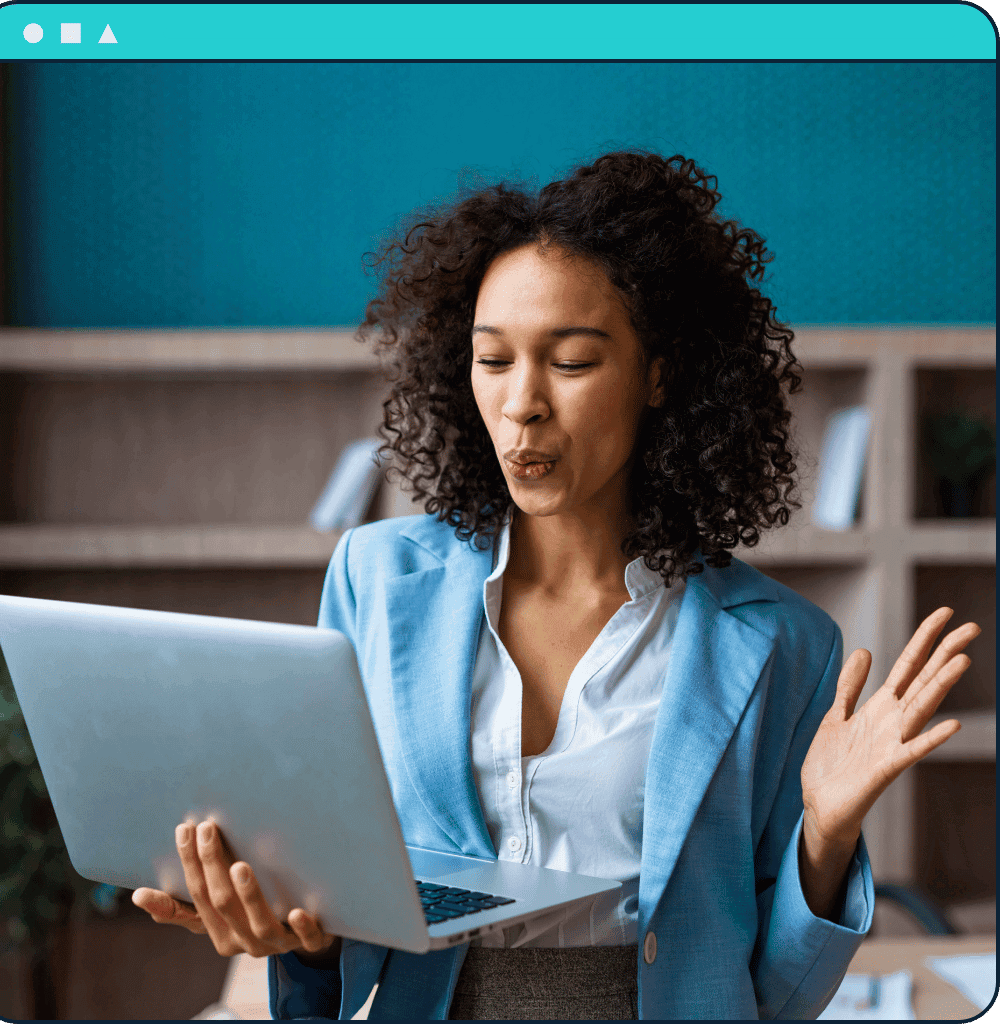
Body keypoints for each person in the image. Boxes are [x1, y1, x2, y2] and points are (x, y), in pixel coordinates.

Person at [133, 151, 981, 1020]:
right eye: (493, 360)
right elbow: (338, 892)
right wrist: (294, 926)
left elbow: (774, 993)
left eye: (571, 362)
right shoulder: (377, 580)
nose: (522, 405)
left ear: (660, 374)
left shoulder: (782, 644)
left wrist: (827, 840)